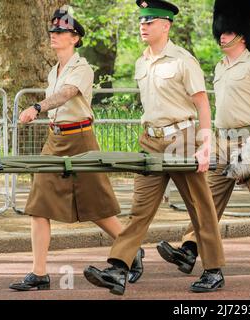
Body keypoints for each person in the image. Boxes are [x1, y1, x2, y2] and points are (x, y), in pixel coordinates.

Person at [83, 0, 226, 295]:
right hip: (150, 140)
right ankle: (118, 269)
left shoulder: (183, 60)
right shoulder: (141, 61)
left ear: (166, 25)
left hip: (182, 139)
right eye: (141, 21)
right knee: (140, 210)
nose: (143, 25)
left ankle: (213, 271)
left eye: (150, 21)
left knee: (200, 207)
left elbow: (202, 103)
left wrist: (204, 144)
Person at [9, 7, 143, 291]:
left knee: (96, 207)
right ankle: (39, 274)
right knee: (38, 205)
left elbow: (67, 93)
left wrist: (37, 107)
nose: (53, 36)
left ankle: (131, 249)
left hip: (81, 140)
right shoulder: (52, 71)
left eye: (60, 32)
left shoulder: (82, 68)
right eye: (52, 32)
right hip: (55, 140)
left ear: (75, 38)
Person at [157, 0, 250, 274]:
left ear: (242, 34)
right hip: (222, 141)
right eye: (221, 31)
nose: (222, 35)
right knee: (206, 196)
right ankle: (190, 249)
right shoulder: (219, 67)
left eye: (228, 31)